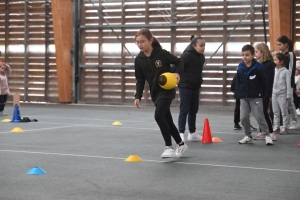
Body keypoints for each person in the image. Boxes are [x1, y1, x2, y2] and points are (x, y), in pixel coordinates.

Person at [134, 28, 188, 158]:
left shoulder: (161, 54)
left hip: (167, 90)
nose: (140, 44)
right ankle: (181, 144)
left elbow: (178, 61)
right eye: (137, 42)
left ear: (150, 41)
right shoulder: (139, 60)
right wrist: (138, 96)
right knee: (167, 120)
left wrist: (177, 73)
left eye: (142, 41)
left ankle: (168, 146)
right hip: (155, 93)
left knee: (158, 116)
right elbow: (140, 80)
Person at [235, 44, 273, 145]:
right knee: (243, 117)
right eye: (243, 55)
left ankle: (267, 135)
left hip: (256, 96)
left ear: (252, 55)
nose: (244, 57)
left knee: (259, 116)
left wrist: (264, 95)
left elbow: (263, 82)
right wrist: (238, 94)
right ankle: (248, 135)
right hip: (244, 96)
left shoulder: (258, 67)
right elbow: (238, 81)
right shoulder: (240, 67)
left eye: (247, 55)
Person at [177, 35, 205, 142]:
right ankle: (180, 133)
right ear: (194, 46)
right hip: (185, 86)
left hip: (195, 85)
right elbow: (176, 67)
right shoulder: (186, 56)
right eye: (201, 45)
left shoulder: (201, 57)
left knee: (194, 109)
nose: (203, 48)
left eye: (204, 46)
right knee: (184, 109)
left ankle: (192, 133)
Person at [253, 43, 276, 140]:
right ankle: (263, 130)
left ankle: (270, 132)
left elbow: (269, 80)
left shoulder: (269, 65)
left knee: (264, 112)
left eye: (257, 52)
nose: (255, 54)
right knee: (258, 113)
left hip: (265, 92)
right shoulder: (258, 64)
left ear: (262, 52)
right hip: (258, 91)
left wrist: (268, 94)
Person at [277, 36, 298, 129]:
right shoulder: (281, 54)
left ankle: (294, 121)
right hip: (281, 82)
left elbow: (290, 68)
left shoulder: (290, 54)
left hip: (289, 81)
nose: (279, 46)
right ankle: (286, 122)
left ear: (286, 44)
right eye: (278, 45)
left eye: (280, 44)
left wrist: (287, 80)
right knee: (283, 103)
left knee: (290, 103)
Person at [272, 53, 292, 135]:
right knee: (275, 111)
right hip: (274, 93)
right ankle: (276, 126)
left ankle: (285, 127)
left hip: (282, 94)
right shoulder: (274, 70)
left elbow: (288, 84)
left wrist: (288, 95)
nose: (274, 61)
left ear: (281, 61)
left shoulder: (286, 72)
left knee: (284, 112)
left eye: (276, 60)